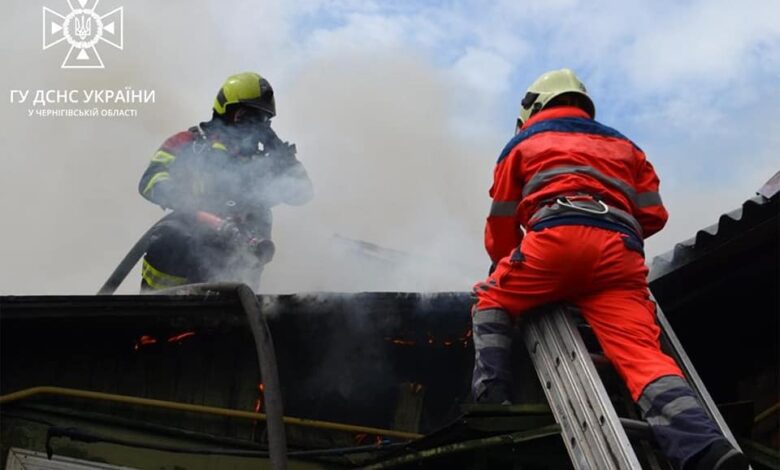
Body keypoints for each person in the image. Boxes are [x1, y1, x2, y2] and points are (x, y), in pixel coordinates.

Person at [470, 69, 747, 470]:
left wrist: (517, 264)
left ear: (533, 107)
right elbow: (654, 214)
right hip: (619, 255)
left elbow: (500, 227)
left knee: (491, 295)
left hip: (554, 242)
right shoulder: (625, 146)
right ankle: (707, 450)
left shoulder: (522, 144)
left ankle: (491, 401)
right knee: (644, 357)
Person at [138, 72, 313, 291]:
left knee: (229, 318)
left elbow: (302, 193)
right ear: (229, 111)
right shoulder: (188, 143)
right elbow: (150, 180)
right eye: (249, 116)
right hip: (181, 260)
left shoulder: (260, 163)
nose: (256, 127)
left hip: (237, 265)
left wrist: (282, 154)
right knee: (167, 242)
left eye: (262, 120)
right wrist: (186, 202)